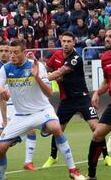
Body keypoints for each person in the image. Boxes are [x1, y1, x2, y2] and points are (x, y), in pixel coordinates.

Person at [0, 40, 86, 180]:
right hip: (20, 116)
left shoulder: (37, 66)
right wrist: (0, 90)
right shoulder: (5, 69)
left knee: (56, 128)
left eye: (15, 52)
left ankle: (73, 170)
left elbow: (49, 93)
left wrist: (37, 77)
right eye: (10, 52)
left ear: (24, 52)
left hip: (41, 111)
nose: (12, 56)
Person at [42, 31, 111, 168]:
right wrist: (42, 70)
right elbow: (48, 68)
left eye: (69, 41)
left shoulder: (76, 58)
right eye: (64, 41)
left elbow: (61, 71)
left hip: (82, 98)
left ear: (74, 43)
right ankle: (52, 157)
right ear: (60, 42)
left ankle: (106, 157)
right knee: (57, 129)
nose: (66, 44)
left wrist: (41, 78)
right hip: (66, 100)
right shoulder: (56, 55)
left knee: (96, 128)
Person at [0, 41, 38, 172]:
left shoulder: (23, 65)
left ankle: (28, 161)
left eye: (8, 51)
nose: (6, 54)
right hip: (3, 104)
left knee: (32, 129)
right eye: (3, 51)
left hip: (19, 106)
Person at [77, 29, 111, 180]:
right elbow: (106, 81)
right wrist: (97, 92)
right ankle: (91, 175)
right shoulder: (105, 58)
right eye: (107, 36)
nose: (107, 39)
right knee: (97, 135)